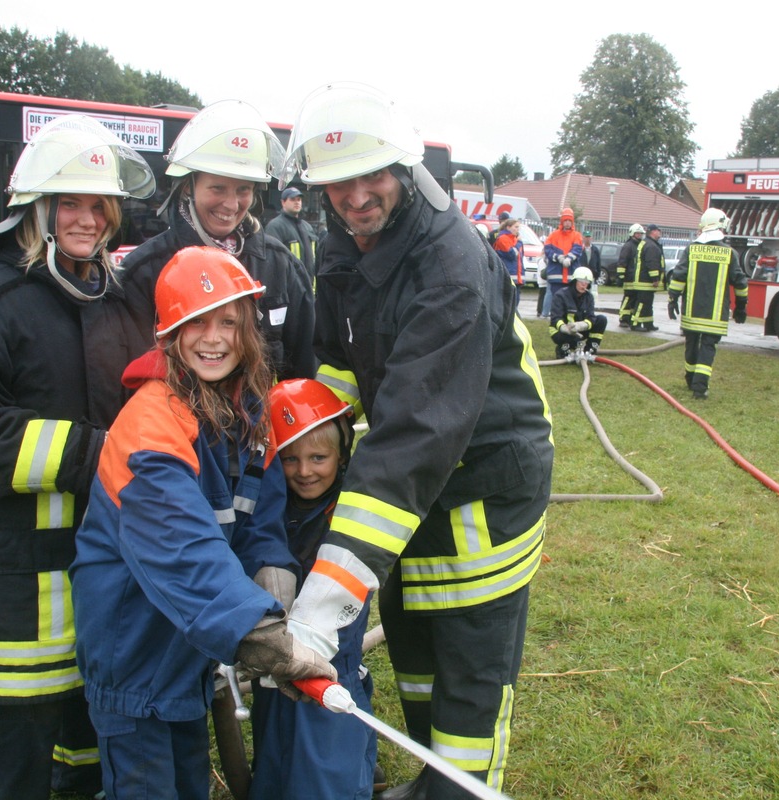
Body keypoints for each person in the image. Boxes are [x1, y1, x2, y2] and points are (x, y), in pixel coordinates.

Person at [279, 82, 554, 800]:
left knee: (468, 670)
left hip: (483, 486)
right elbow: (345, 363)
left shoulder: (450, 263)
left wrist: (325, 600)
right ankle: (436, 784)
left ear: (403, 170)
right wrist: (304, 423)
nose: (356, 195)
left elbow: (413, 431)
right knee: (419, 648)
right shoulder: (345, 247)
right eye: (337, 182)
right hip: (421, 485)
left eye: (371, 175)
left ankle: (461, 792)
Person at [0, 114, 159, 800]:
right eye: (70, 203)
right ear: (39, 209)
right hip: (16, 581)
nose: (86, 218)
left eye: (98, 204)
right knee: (17, 756)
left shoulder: (116, 301)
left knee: (89, 739)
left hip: (100, 568)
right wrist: (95, 453)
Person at [71, 248, 335, 800]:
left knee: (189, 780)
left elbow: (258, 506)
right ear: (170, 332)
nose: (213, 338)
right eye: (196, 322)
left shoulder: (246, 410)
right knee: (147, 787)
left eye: (228, 322)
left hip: (187, 643)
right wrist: (254, 631)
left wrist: (272, 568)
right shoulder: (151, 423)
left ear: (248, 331)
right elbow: (180, 548)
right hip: (133, 648)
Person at [117, 99, 316, 381]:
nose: (232, 204)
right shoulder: (143, 273)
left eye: (243, 189)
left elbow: (303, 371)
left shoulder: (280, 265)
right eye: (218, 188)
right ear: (188, 186)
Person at [249, 378, 378, 800]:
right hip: (275, 659)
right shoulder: (270, 510)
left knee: (326, 763)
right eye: (290, 459)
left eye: (318, 457)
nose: (305, 471)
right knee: (274, 757)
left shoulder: (353, 508)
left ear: (342, 453)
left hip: (332, 664)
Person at [667, 208, 749, 400]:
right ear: (720, 226)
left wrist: (672, 298)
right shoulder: (729, 253)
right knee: (708, 348)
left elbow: (679, 276)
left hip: (691, 311)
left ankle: (690, 379)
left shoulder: (692, 249)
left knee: (691, 343)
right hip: (715, 315)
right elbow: (740, 282)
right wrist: (741, 306)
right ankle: (700, 387)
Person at [549, 266, 606, 360]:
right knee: (576, 342)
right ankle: (562, 349)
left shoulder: (589, 297)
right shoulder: (561, 295)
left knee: (601, 319)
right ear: (575, 281)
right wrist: (564, 328)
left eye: (586, 283)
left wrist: (581, 325)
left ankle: (590, 350)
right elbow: (555, 318)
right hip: (561, 331)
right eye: (581, 281)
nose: (584, 285)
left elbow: (591, 317)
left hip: (578, 331)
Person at [265, 185, 319, 279]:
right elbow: (273, 262)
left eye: (299, 199)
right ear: (283, 202)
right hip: (290, 288)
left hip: (310, 288)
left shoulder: (307, 227)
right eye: (293, 199)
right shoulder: (275, 226)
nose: (297, 202)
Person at [541, 207, 582, 317]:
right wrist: (558, 257)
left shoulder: (576, 235)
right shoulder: (554, 235)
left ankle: (566, 316)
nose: (567, 223)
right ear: (562, 221)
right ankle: (554, 316)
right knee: (556, 297)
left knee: (570, 298)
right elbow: (548, 249)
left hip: (570, 274)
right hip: (556, 274)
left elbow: (577, 250)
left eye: (569, 221)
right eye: (565, 220)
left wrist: (569, 258)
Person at [630, 223, 665, 332]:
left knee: (648, 304)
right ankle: (635, 323)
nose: (660, 232)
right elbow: (652, 263)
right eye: (658, 230)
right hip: (645, 281)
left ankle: (648, 323)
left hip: (643, 280)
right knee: (642, 303)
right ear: (653, 232)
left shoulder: (647, 243)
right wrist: (655, 278)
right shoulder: (651, 246)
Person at [616, 222, 645, 327]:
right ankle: (623, 318)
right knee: (628, 298)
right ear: (632, 233)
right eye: (638, 233)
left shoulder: (640, 246)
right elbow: (622, 262)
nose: (640, 235)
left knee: (634, 299)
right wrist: (621, 276)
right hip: (629, 278)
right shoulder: (628, 246)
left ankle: (629, 318)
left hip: (636, 278)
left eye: (641, 234)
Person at [493, 216, 524, 306]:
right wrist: (519, 243)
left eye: (518, 227)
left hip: (516, 275)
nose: (518, 230)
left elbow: (520, 259)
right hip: (509, 273)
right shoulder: (503, 238)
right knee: (509, 302)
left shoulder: (514, 239)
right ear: (508, 227)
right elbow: (512, 254)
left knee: (515, 301)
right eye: (516, 227)